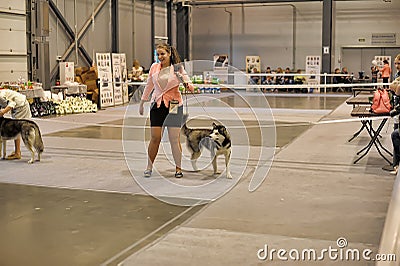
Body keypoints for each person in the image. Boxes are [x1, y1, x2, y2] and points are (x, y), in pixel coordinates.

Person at [139, 43, 194, 178]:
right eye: (158, 54)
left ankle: (178, 168)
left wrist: (185, 83)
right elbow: (149, 86)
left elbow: (190, 86)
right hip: (156, 106)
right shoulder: (154, 67)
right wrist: (142, 103)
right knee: (155, 138)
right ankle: (149, 166)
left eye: (162, 54)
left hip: (174, 106)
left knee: (174, 139)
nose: (160, 57)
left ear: (169, 53)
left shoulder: (177, 68)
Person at [0, 88, 32, 160]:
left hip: (21, 106)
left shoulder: (0, 96)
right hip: (18, 106)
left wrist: (3, 112)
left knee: (17, 128)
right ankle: (17, 151)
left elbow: (12, 103)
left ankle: (17, 153)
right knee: (16, 128)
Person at [389, 54, 400, 174]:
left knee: (396, 135)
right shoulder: (397, 75)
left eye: (399, 64)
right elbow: (392, 87)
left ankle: (396, 165)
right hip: (396, 107)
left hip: (399, 109)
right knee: (395, 135)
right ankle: (395, 165)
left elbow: (396, 88)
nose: (397, 66)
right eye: (396, 63)